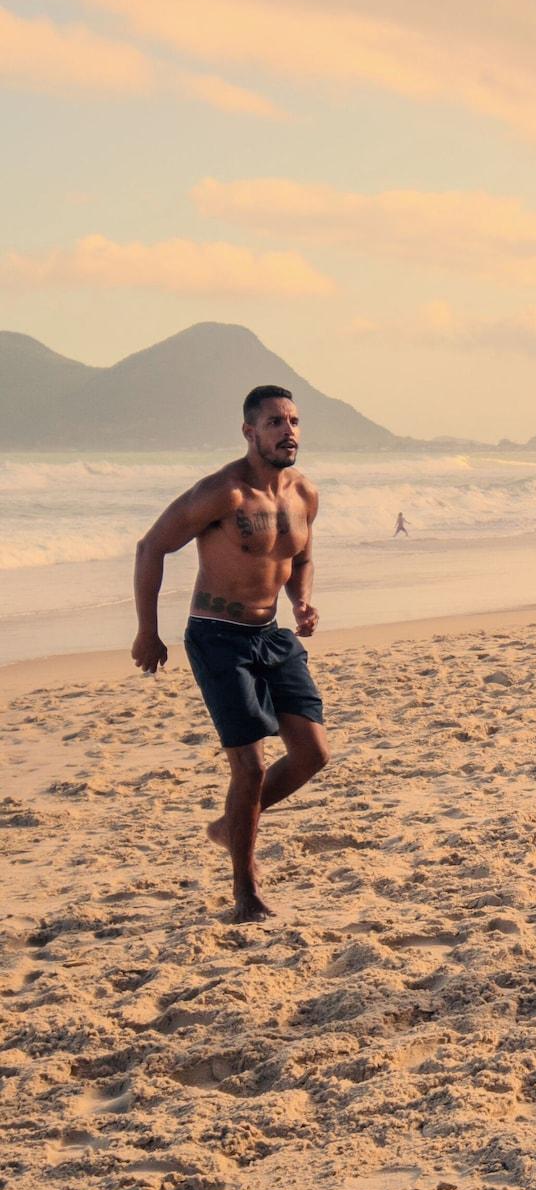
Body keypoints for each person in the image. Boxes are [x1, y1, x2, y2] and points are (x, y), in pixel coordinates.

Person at [131, 385, 329, 923]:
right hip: (218, 636)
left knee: (313, 755)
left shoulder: (304, 494)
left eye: (293, 420)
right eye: (273, 423)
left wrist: (302, 601)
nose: (287, 430)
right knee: (250, 768)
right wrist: (148, 632)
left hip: (272, 634)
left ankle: (230, 824)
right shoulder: (224, 493)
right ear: (249, 432)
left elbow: (302, 556)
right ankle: (246, 888)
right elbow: (151, 547)